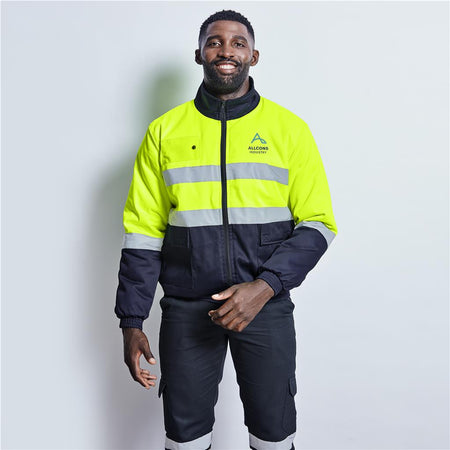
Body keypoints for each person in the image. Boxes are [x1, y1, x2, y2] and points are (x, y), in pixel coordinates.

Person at [114, 9, 337, 450]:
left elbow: (318, 223)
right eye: (214, 42)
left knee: (274, 435)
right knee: (185, 439)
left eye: (238, 43)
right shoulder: (164, 132)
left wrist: (265, 286)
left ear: (254, 55)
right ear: (199, 54)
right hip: (186, 309)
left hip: (265, 305)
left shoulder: (288, 129)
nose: (226, 50)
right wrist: (131, 320)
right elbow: (143, 232)